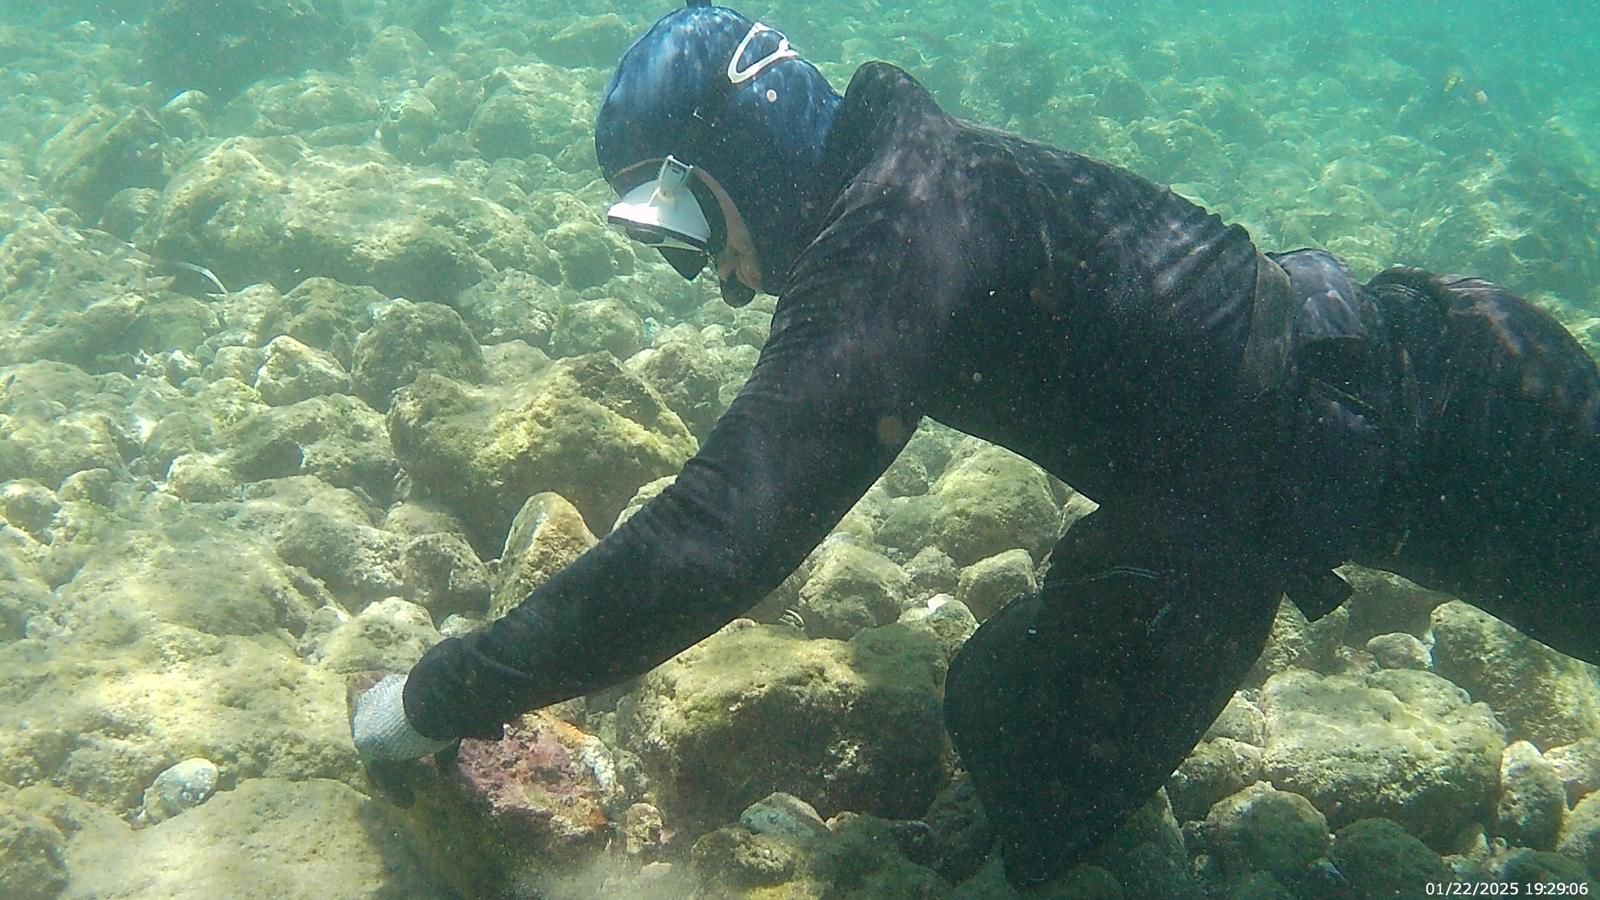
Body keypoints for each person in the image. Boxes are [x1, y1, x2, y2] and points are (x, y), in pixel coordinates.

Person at [354, 1, 1600, 886]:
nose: (714, 283)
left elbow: (719, 537)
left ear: (730, 155)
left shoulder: (889, 244)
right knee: (1021, 731)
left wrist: (437, 698)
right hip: (1434, 373)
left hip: (1456, 433)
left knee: (1031, 748)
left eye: (681, 229)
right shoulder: (918, 178)